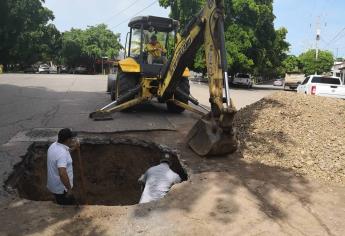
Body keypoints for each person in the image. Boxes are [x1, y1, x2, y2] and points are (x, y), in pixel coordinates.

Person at [47, 128, 80, 205]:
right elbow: (62, 173)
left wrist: (74, 148)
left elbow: (64, 154)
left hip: (55, 186)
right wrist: (69, 189)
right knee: (67, 207)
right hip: (62, 189)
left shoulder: (53, 145)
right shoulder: (62, 153)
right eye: (71, 139)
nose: (72, 140)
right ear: (67, 140)